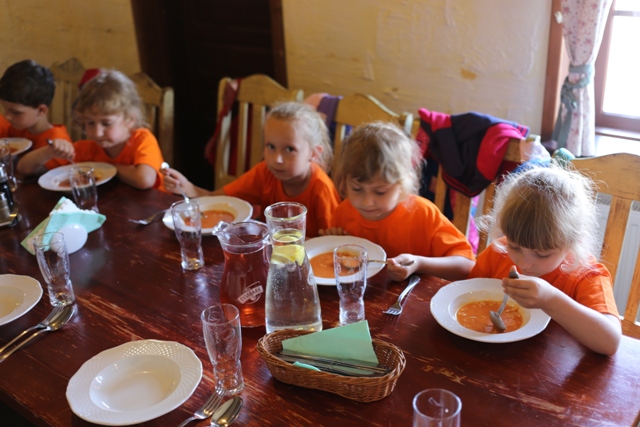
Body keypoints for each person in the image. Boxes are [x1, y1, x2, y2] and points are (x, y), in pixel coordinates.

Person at [468, 165, 621, 355]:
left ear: (572, 243)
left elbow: (610, 342)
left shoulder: (586, 275)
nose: (524, 263)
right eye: (514, 246)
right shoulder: (497, 253)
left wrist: (551, 300)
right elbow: (467, 294)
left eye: (542, 254)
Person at [321, 121, 475, 282]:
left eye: (380, 192)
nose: (367, 202)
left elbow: (466, 266)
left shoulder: (423, 214)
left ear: (403, 185)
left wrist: (419, 264)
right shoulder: (344, 212)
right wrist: (335, 242)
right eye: (356, 189)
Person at [164, 102, 340, 237]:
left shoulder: (321, 189)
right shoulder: (265, 172)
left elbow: (330, 244)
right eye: (271, 146)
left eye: (289, 149)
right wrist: (188, 188)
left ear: (313, 154)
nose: (277, 159)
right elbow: (219, 200)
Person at [16, 69, 166, 191]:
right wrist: (48, 152)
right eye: (90, 123)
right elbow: (24, 169)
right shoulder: (87, 149)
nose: (97, 133)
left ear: (130, 119)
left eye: (106, 123)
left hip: (159, 212)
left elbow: (144, 180)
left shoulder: (142, 139)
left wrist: (108, 168)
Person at [0, 59, 71, 150]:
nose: (7, 116)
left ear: (41, 110)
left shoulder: (57, 143)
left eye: (16, 112)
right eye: (5, 108)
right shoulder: (18, 128)